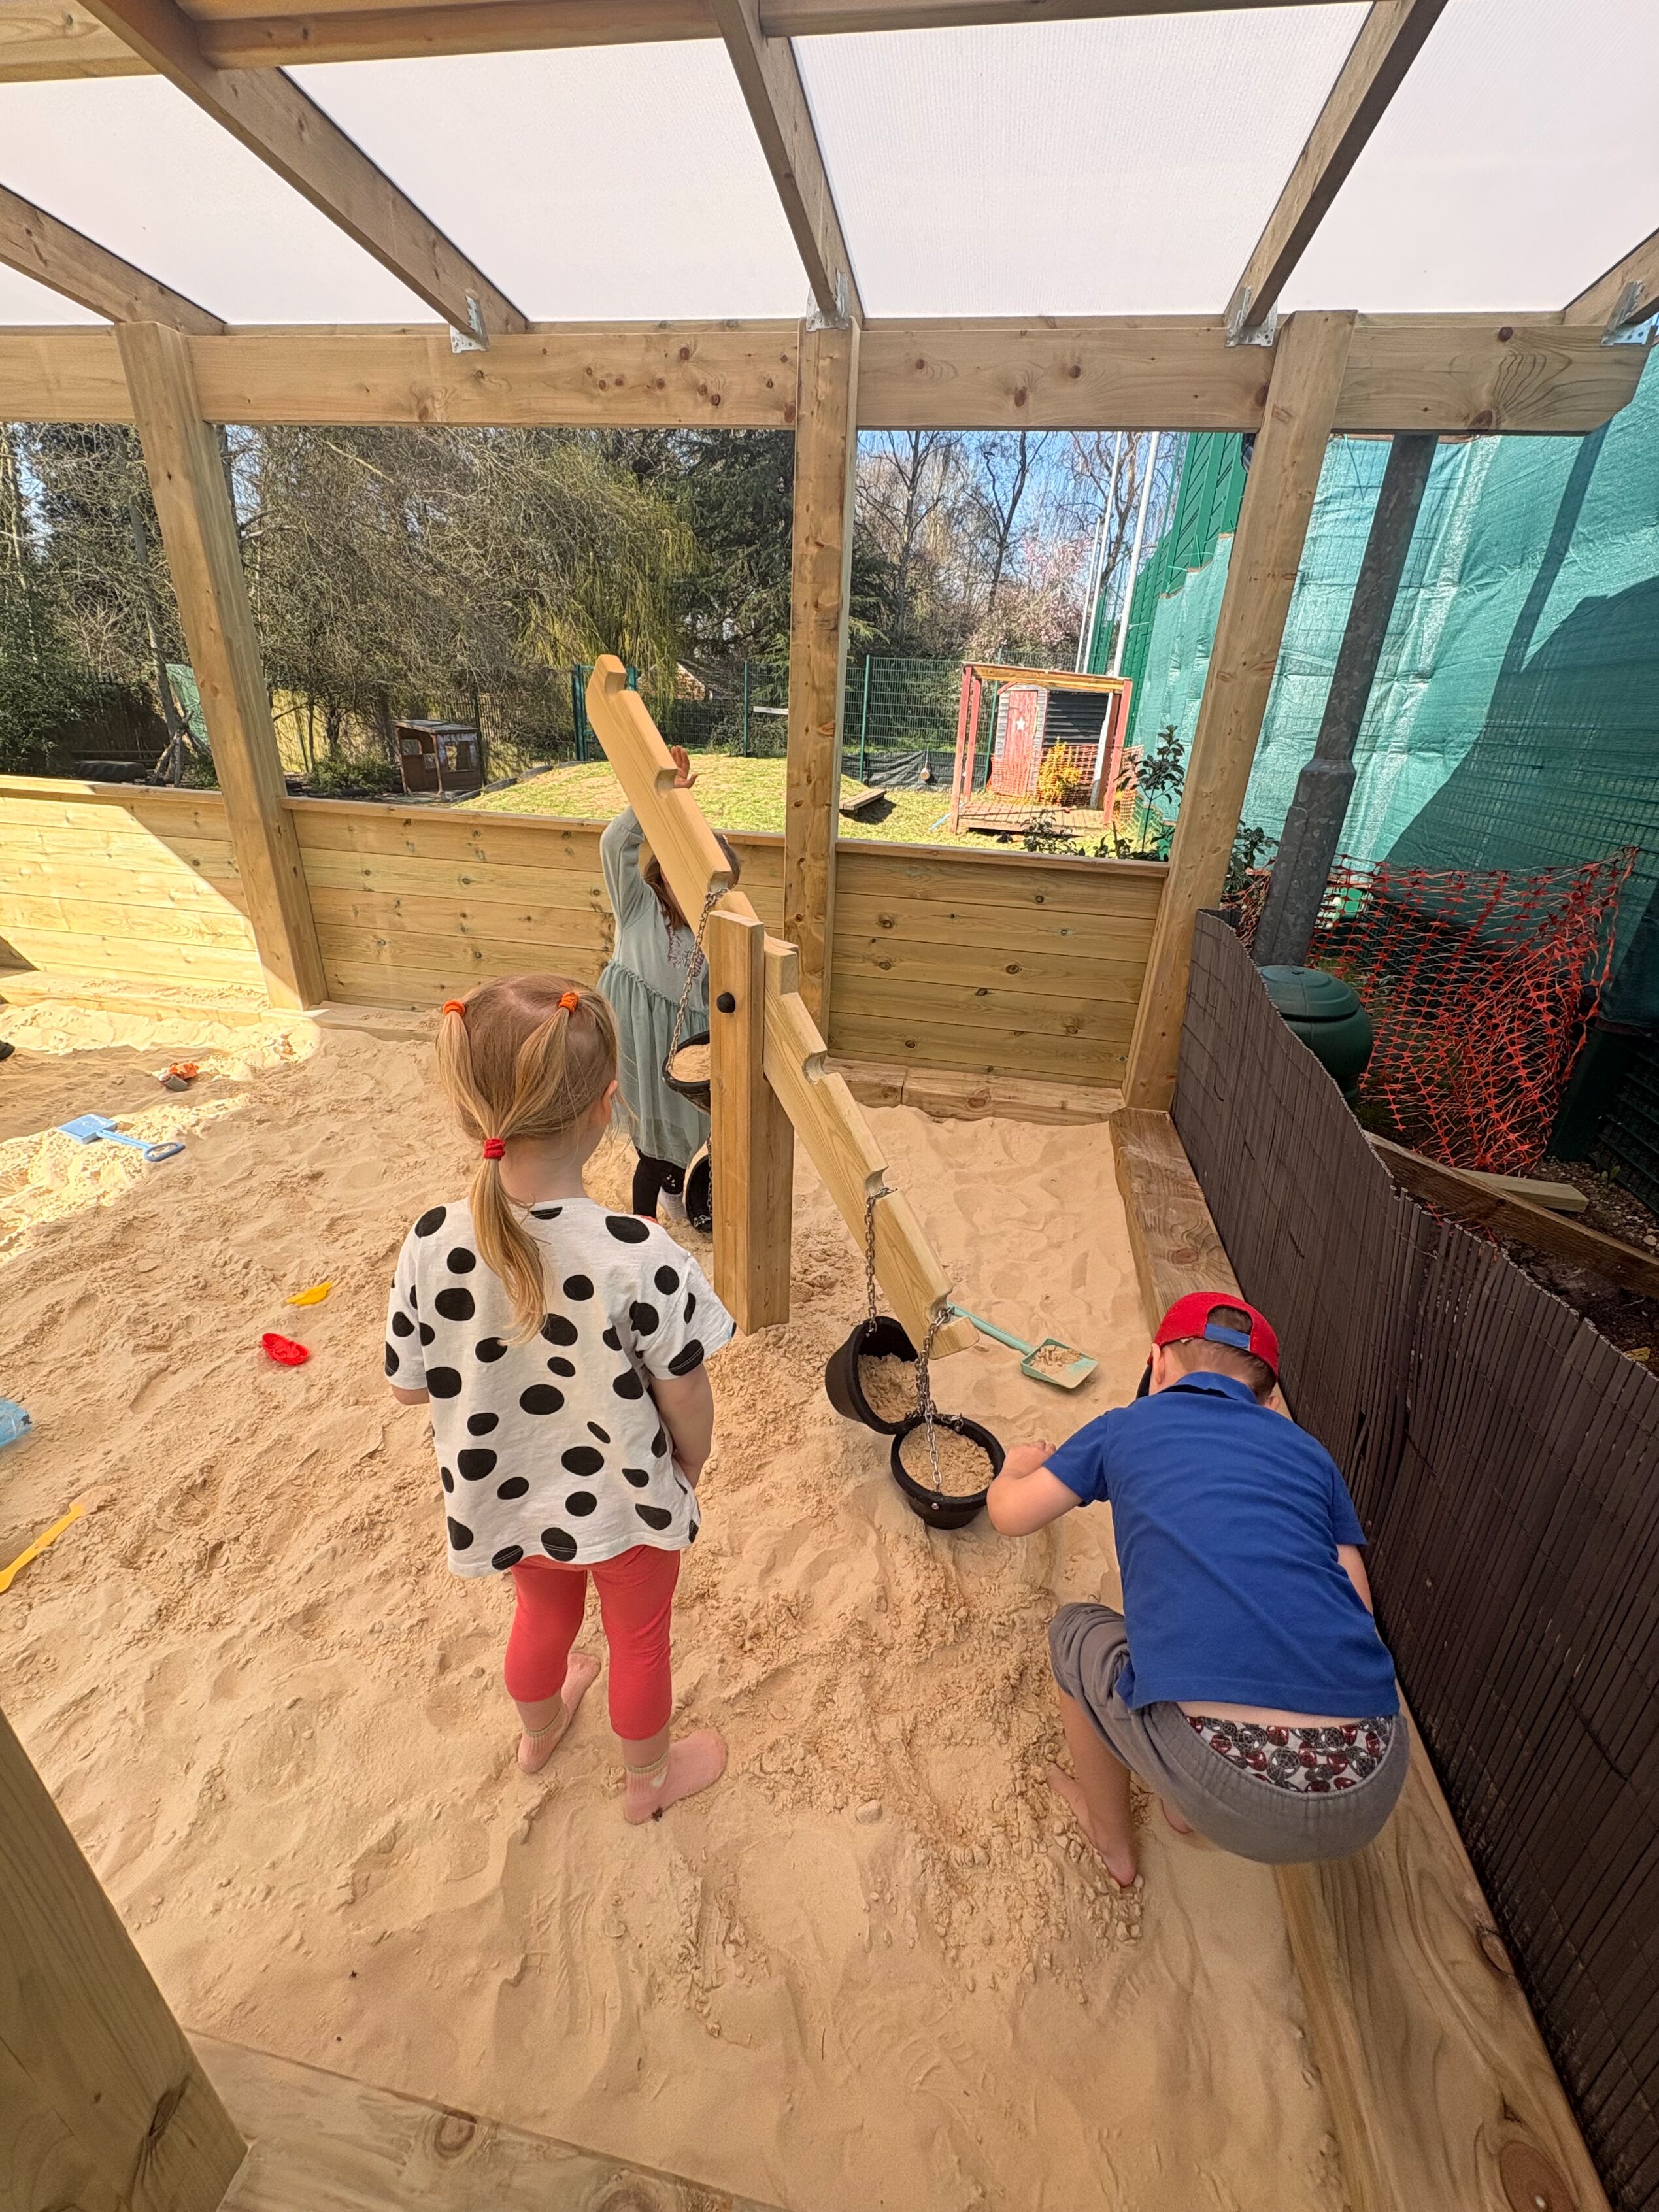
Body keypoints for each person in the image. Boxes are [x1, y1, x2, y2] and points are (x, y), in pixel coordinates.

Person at [385, 973, 732, 1821]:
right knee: (638, 1641)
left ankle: (537, 1735)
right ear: (605, 1107)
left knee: (541, 1618)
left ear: (471, 1115)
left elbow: (407, 1388)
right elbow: (683, 1387)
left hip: (510, 1498)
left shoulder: (431, 1241)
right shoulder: (639, 1254)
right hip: (626, 1502)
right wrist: (689, 1460)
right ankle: (645, 1786)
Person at [986, 1292, 1405, 1886]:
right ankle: (1183, 1810)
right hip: (1374, 1779)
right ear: (1271, 1402)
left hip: (1237, 1785)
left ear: (1156, 1364)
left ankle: (1112, 1843)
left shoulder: (1125, 1426)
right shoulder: (1313, 1457)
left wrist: (1015, 1468)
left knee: (1075, 1633)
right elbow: (1353, 1605)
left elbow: (1011, 1515)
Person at [598, 745, 741, 1226]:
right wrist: (659, 801)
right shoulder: (638, 904)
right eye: (699, 884)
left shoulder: (713, 930)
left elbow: (719, 995)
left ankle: (678, 1187)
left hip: (683, 1045)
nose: (707, 898)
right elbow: (615, 844)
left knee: (686, 1130)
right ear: (668, 870)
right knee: (651, 1139)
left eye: (716, 891)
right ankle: (645, 1222)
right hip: (638, 1033)